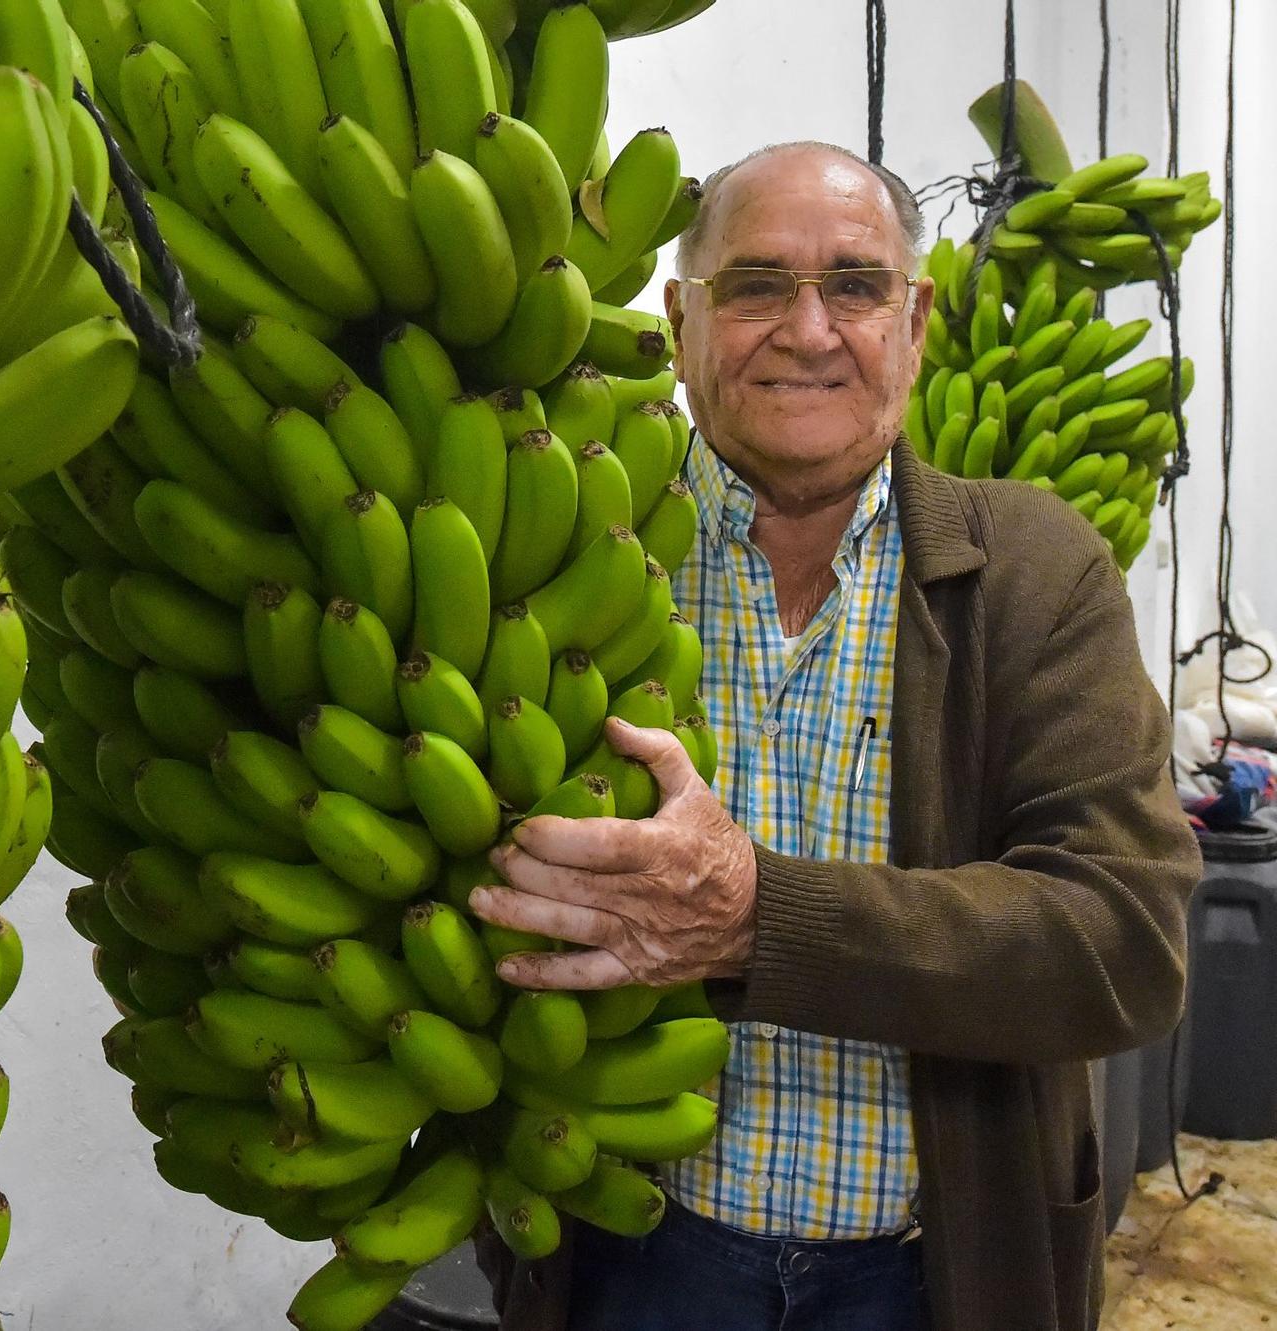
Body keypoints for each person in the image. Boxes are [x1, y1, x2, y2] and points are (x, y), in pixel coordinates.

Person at [469, 141, 1200, 1331]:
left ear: (910, 321)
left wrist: (758, 916)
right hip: (630, 1255)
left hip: (935, 1268)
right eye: (756, 284)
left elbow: (1121, 940)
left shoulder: (1033, 571)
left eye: (853, 287)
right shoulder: (571, 558)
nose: (808, 331)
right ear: (680, 319)